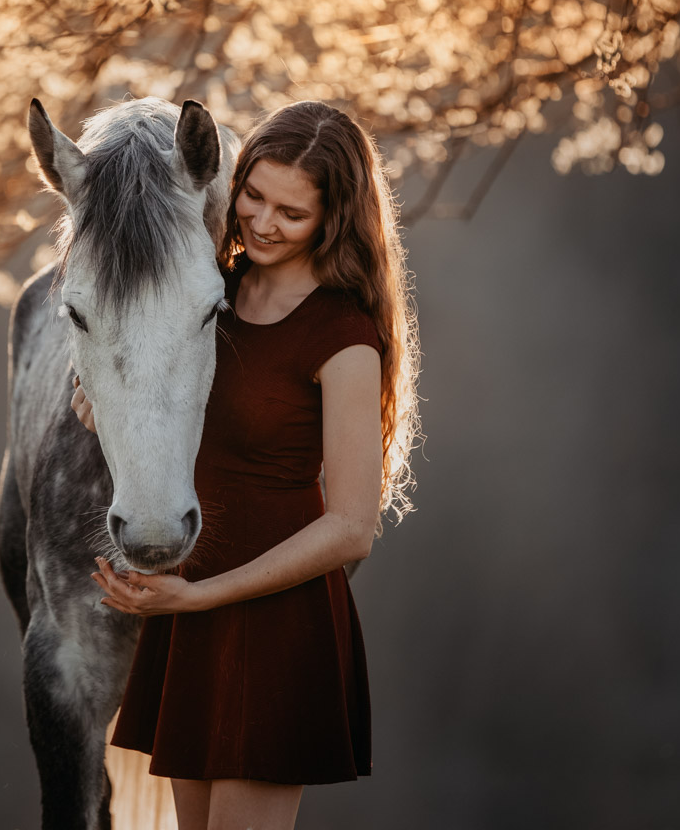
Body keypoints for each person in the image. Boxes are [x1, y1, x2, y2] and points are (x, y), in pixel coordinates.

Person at [71, 99, 420, 830]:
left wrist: (199, 597)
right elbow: (164, 396)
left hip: (271, 622)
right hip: (192, 613)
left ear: (333, 218)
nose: (262, 222)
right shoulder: (209, 295)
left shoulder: (344, 335)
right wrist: (104, 401)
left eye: (290, 213)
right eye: (253, 196)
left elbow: (353, 528)